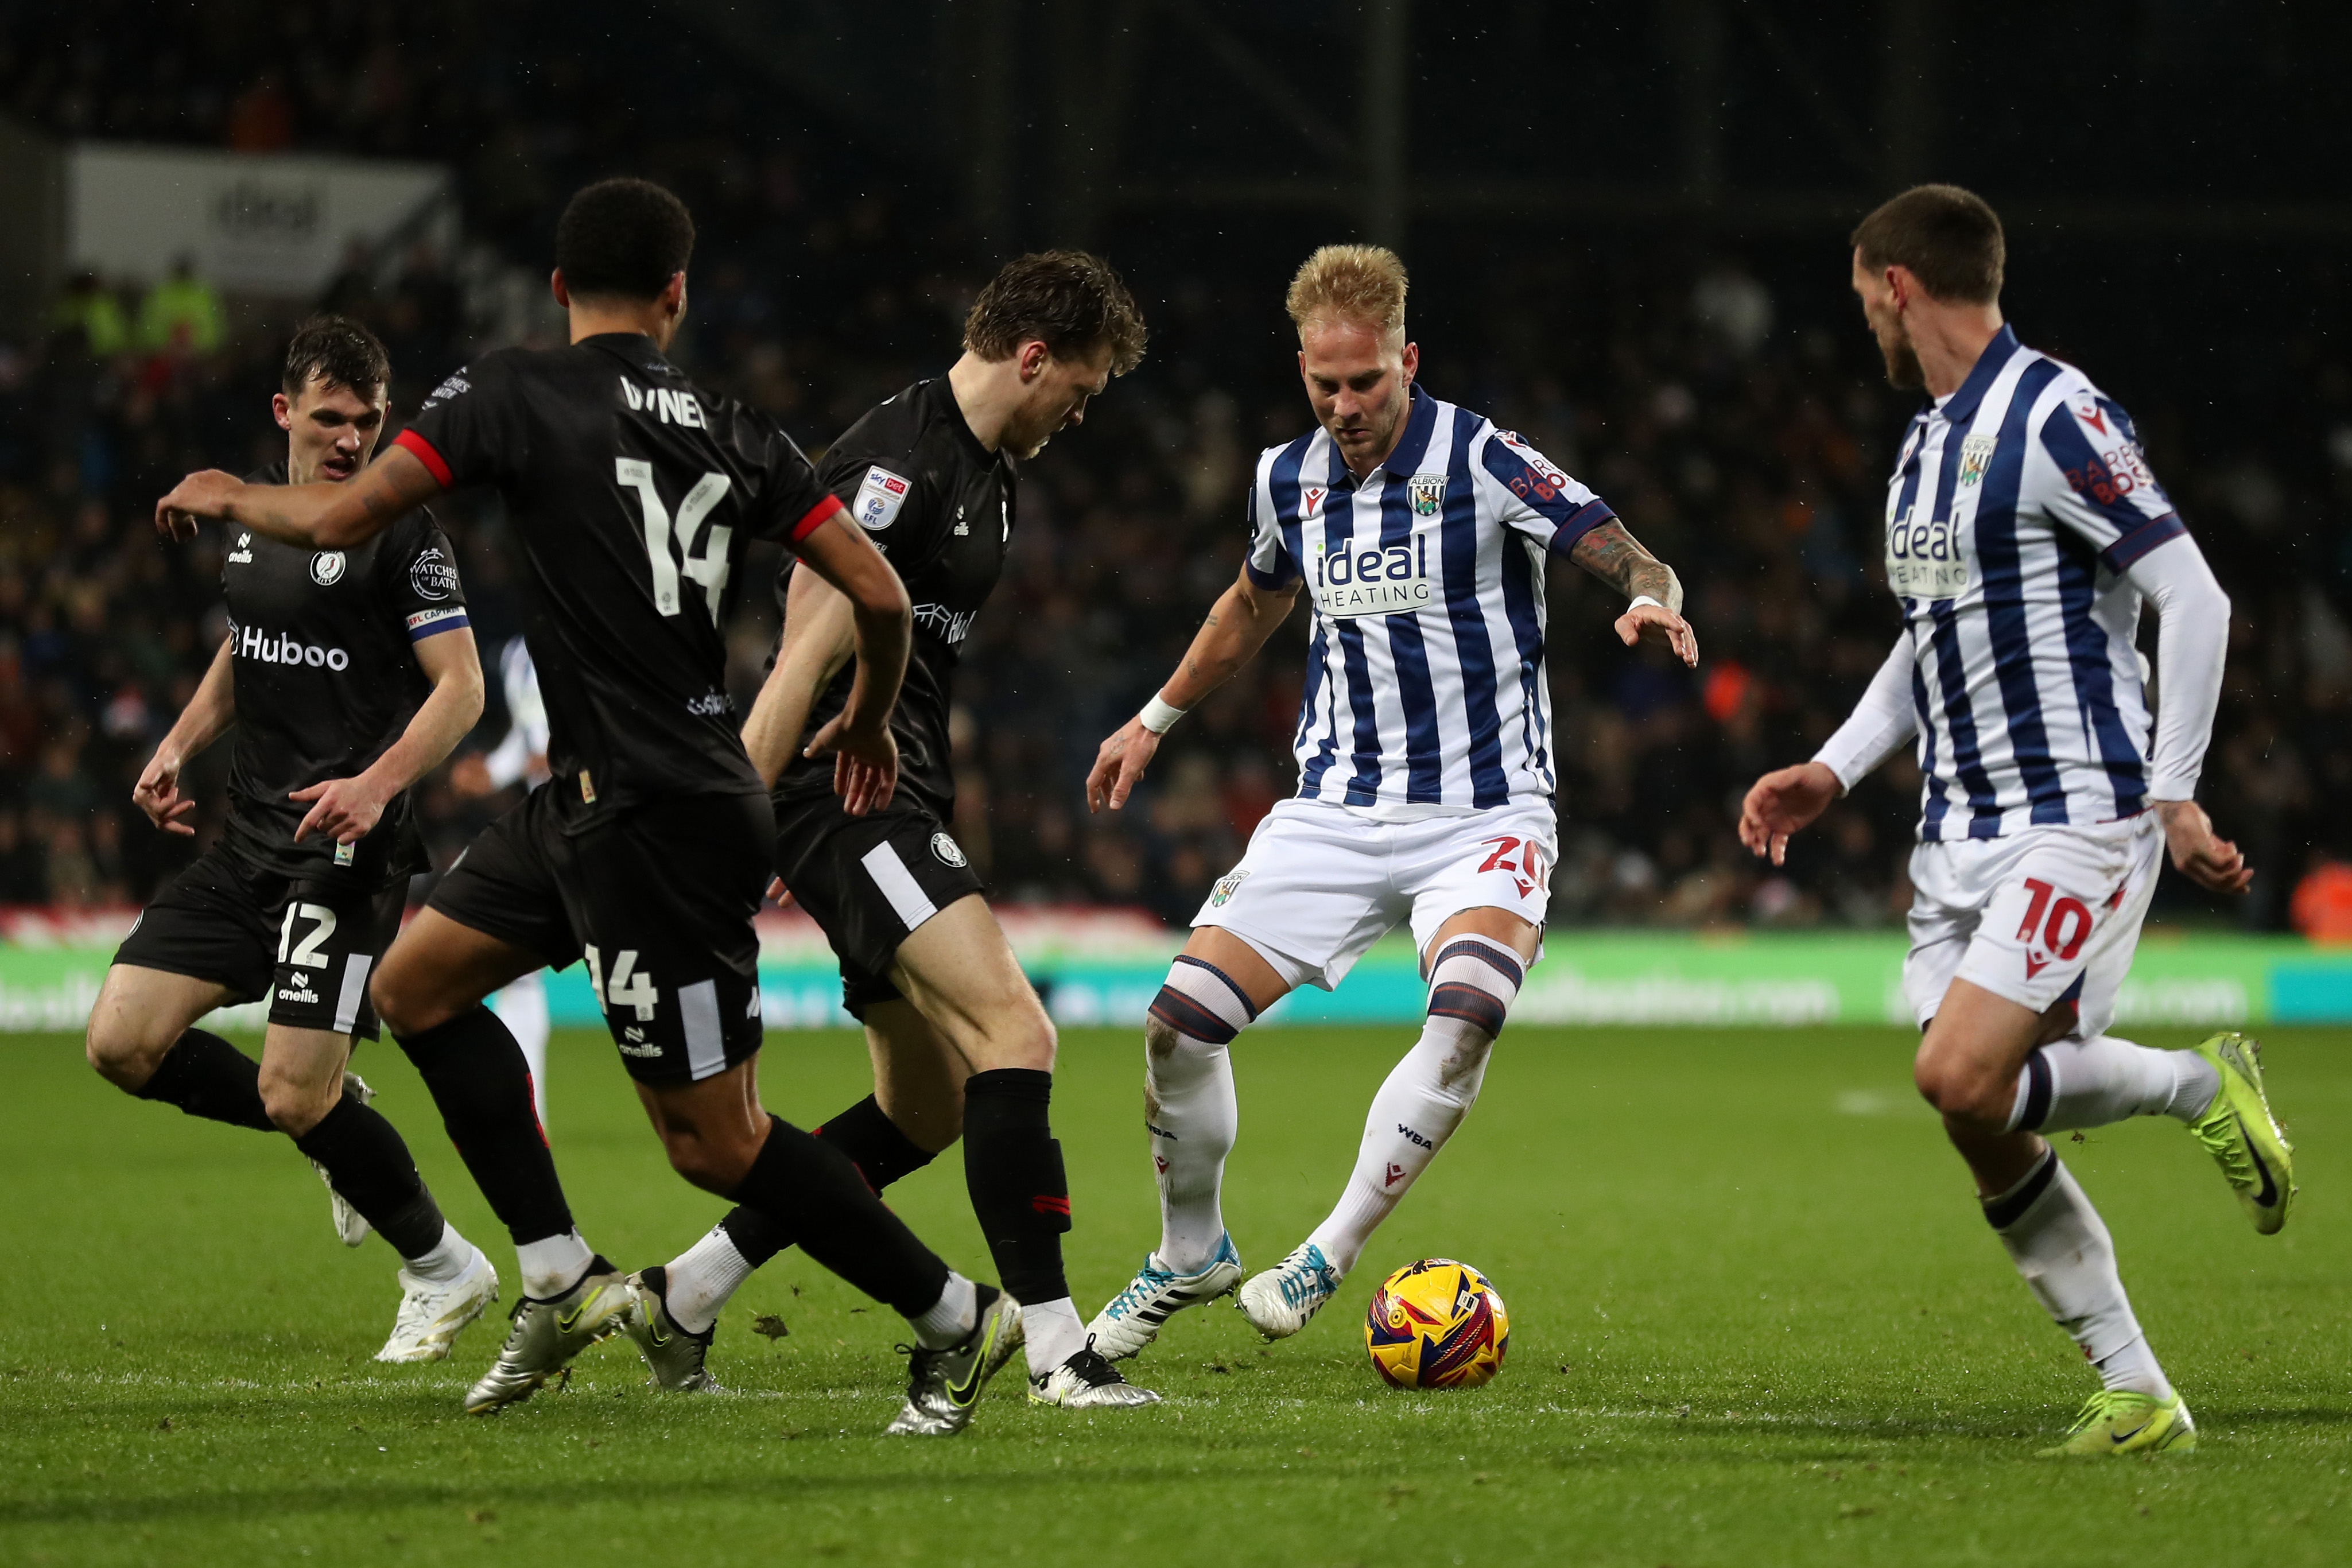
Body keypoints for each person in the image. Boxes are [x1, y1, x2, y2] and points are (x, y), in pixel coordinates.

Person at [157, 178, 1018, 1438]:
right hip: (603, 796)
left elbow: (341, 516)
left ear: (558, 289)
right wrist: (877, 715)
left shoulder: (511, 389)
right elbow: (880, 597)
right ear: (677, 294)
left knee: (717, 1143)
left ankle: (958, 1316)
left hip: (661, 815)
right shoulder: (738, 427)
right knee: (412, 989)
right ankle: (556, 1273)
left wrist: (231, 494)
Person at [1737, 184, 2290, 1457]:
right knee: (1981, 1109)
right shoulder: (1928, 443)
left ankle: (2193, 1087)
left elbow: (2191, 596)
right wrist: (1833, 768)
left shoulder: (2058, 411)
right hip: (1955, 836)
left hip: (2077, 814)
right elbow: (1928, 639)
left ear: (1896, 287)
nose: (1864, 322)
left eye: (1863, 298)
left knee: (1959, 1075)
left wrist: (2176, 786)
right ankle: (2141, 1387)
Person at [1082, 245, 1700, 1357]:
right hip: (1334, 810)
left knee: (1466, 1016)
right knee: (1177, 1025)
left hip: (1487, 813)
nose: (1345, 405)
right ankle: (1190, 1250)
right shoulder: (1289, 477)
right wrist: (1153, 720)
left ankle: (1330, 1249)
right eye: (1325, 384)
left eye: (1366, 383)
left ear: (1407, 359)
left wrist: (1654, 598)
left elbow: (1624, 551)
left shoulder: (1484, 457)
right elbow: (1249, 603)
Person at [623, 252, 1158, 1409]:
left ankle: (688, 1293)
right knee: (1015, 1031)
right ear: (1032, 355)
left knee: (924, 1106)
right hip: (842, 799)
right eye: (1084, 384)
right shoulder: (892, 470)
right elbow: (802, 654)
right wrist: (731, 837)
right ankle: (1060, 1349)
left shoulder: (992, 472)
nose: (1082, 410)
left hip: (889, 796)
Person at [89, 315, 498, 1363]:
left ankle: (445, 1267)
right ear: (285, 414)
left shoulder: (402, 534)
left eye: (367, 421)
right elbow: (251, 649)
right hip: (248, 843)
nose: (349, 440)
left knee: (286, 1086)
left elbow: (462, 689)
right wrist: (178, 744)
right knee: (122, 1043)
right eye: (328, 418)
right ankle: (330, 1118)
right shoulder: (256, 529)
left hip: (347, 849)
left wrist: (374, 786)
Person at [451, 636, 553, 1125]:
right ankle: (526, 1107)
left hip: (607, 825)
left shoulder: (598, 628)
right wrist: (491, 772)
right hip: (553, 830)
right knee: (517, 969)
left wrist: (580, 759)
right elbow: (529, 738)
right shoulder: (516, 654)